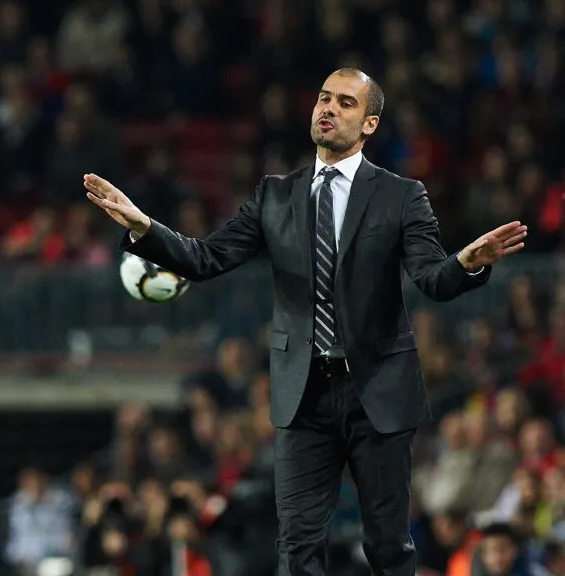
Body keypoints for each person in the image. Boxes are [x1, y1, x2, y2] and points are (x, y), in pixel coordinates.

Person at [84, 68, 527, 576]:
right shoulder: (275, 195)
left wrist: (468, 262)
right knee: (297, 546)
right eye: (323, 98)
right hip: (303, 391)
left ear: (369, 125)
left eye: (344, 102)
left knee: (387, 546)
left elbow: (432, 278)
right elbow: (207, 259)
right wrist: (145, 227)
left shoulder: (402, 195)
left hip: (377, 388)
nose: (328, 108)